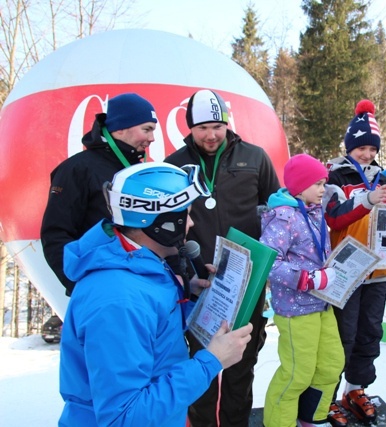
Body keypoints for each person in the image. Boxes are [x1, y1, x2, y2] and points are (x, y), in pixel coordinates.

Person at [58, 162, 253, 427]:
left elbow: (153, 334)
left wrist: (190, 297)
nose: (192, 223)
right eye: (186, 214)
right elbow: (123, 418)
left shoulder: (135, 262)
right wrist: (211, 362)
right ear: (162, 222)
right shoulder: (119, 300)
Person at [164, 89, 280, 427]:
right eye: (202, 128)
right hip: (199, 283)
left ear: (227, 123)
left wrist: (270, 265)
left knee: (241, 366)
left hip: (246, 283)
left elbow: (276, 213)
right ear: (190, 129)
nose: (211, 135)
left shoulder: (255, 157)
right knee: (199, 365)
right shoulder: (173, 165)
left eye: (217, 125)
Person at [324, 99, 386, 426]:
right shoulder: (335, 174)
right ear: (349, 146)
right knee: (343, 336)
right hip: (346, 271)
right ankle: (326, 395)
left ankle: (355, 389)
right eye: (361, 147)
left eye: (371, 148)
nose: (367, 153)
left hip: (378, 270)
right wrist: (367, 200)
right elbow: (335, 218)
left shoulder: (385, 176)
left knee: (370, 333)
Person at [41, 93, 158, 295]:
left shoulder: (140, 172)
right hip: (101, 290)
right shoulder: (77, 169)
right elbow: (56, 234)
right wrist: (80, 286)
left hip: (142, 287)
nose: (152, 138)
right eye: (146, 129)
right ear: (120, 128)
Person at [260, 154, 344, 427]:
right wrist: (309, 279)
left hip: (322, 303)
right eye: (318, 184)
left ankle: (312, 419)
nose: (323, 190)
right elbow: (269, 260)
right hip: (296, 309)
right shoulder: (284, 217)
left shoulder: (314, 212)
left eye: (324, 183)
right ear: (299, 185)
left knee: (331, 364)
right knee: (298, 373)